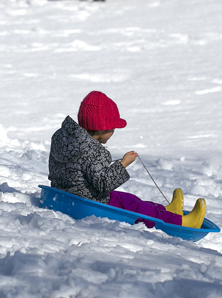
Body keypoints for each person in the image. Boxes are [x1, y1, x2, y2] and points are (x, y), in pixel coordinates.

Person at [49, 91, 206, 228]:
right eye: (112, 129)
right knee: (135, 208)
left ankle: (167, 211)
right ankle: (180, 223)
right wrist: (123, 164)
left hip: (65, 194)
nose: (113, 133)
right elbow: (104, 184)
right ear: (101, 129)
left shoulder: (64, 137)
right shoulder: (93, 151)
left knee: (127, 198)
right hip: (88, 201)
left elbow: (79, 167)